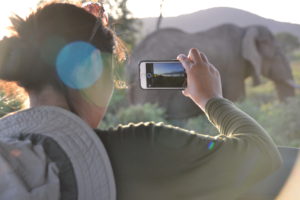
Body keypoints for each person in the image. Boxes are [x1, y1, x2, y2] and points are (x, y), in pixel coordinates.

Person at [0, 2, 282, 200]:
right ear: (88, 69)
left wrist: (74, 28)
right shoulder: (140, 148)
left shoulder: (8, 151)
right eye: (113, 73)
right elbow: (261, 154)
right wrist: (212, 99)